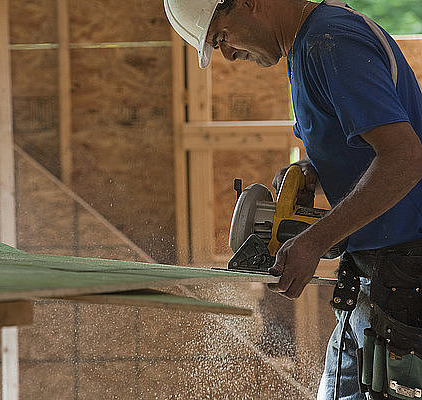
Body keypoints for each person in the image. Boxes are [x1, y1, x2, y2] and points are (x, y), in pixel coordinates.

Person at [164, 0, 422, 399]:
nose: (228, 55)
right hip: (375, 277)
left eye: (221, 37)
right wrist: (312, 169)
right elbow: (364, 146)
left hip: (406, 278)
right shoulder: (307, 45)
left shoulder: (329, 41)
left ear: (249, 3)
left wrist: (315, 241)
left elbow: (405, 158)